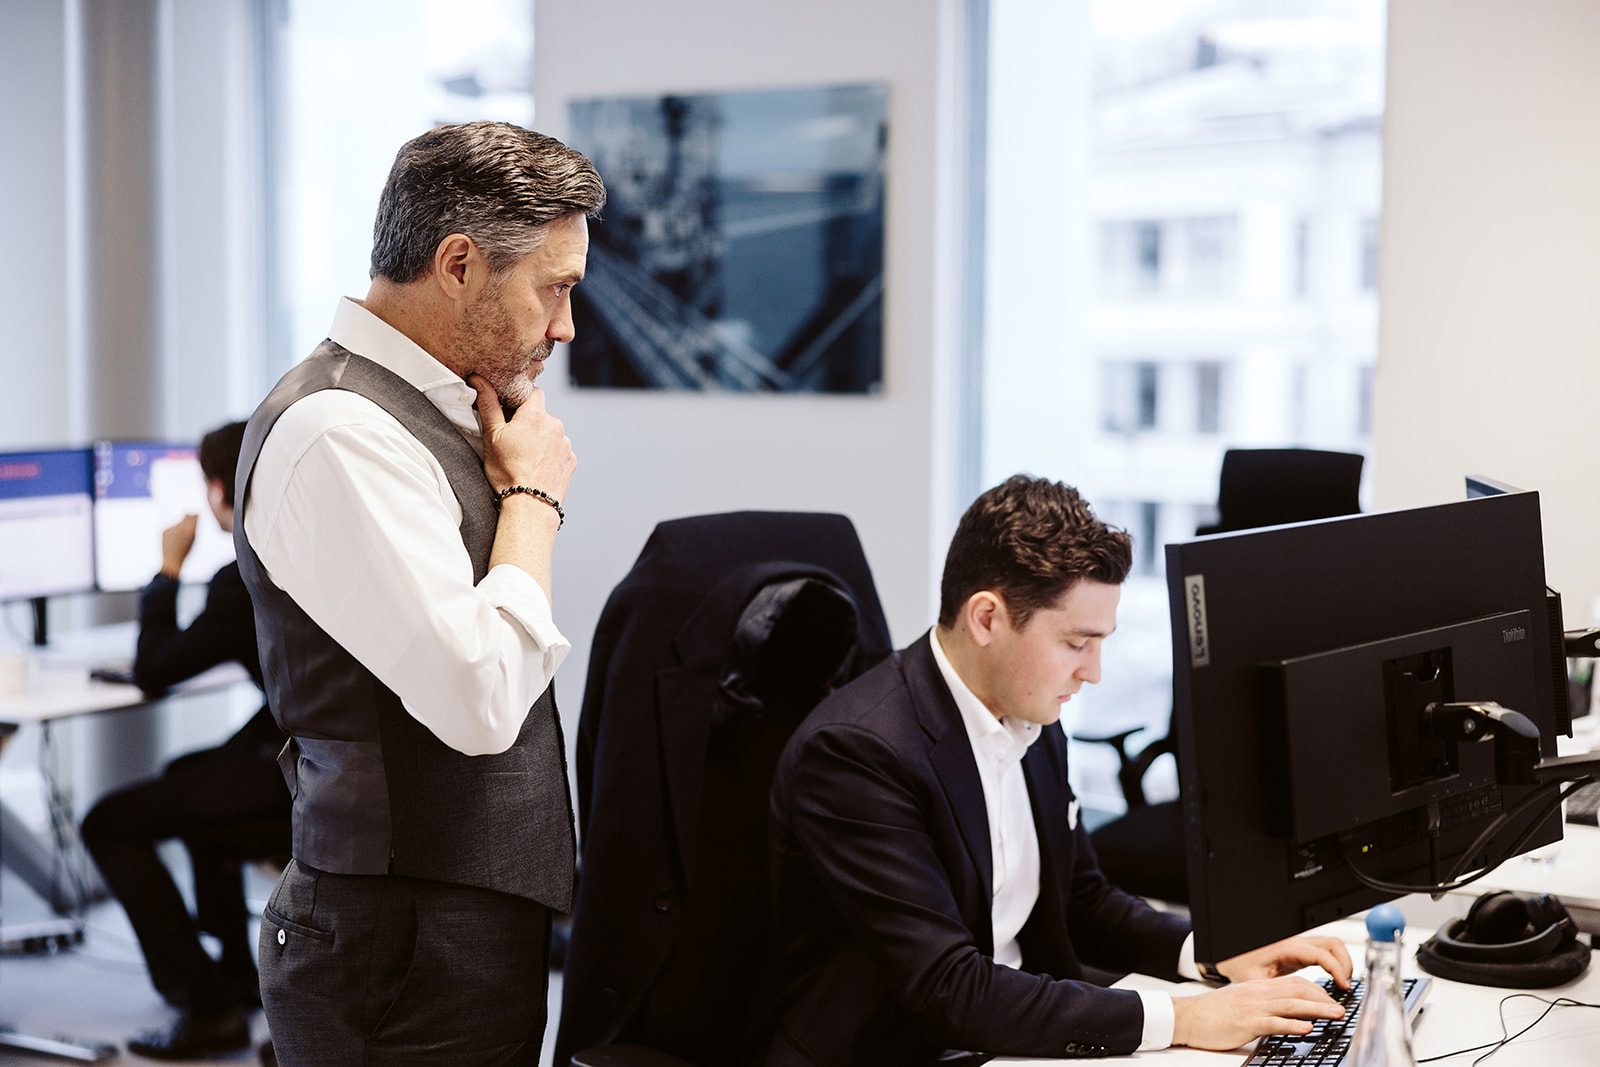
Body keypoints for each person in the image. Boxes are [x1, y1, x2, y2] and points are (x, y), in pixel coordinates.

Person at [759, 474, 1355, 1065]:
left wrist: (1212, 953)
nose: (1093, 672)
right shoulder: (856, 753)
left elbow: (1080, 900)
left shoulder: (1030, 709)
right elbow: (948, 988)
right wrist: (1187, 1017)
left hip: (1015, 1038)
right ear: (987, 619)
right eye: (1076, 643)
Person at [234, 121, 605, 1065]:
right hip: (394, 944)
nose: (566, 326)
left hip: (447, 927)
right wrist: (532, 501)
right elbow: (478, 695)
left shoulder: (433, 415)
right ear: (458, 264)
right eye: (554, 288)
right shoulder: (336, 433)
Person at [81, 420, 289, 1060]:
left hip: (304, 776)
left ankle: (207, 1009)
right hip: (331, 761)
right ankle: (234, 970)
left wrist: (167, 570)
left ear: (222, 492)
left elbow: (156, 668)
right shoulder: (298, 554)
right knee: (188, 772)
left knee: (107, 823)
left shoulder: (242, 579)